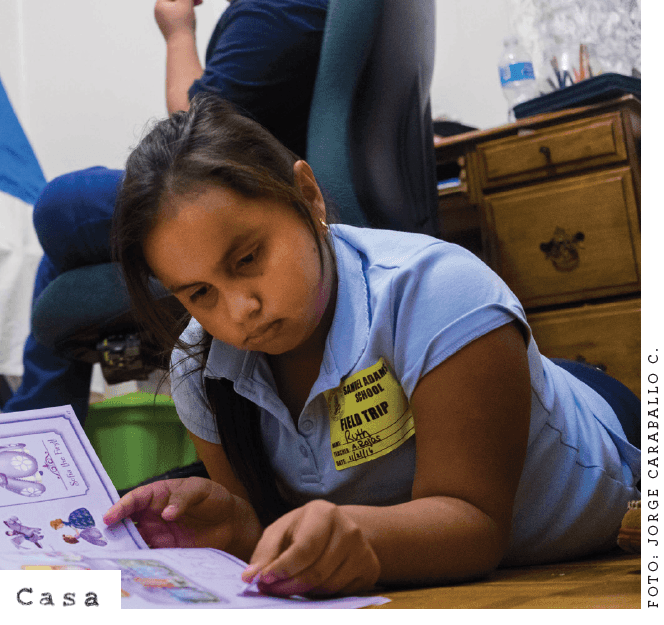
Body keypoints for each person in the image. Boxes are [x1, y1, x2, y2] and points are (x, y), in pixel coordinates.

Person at [101, 95, 640, 597]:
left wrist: (359, 530)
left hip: (600, 434)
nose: (239, 309)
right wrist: (239, 527)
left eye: (247, 259)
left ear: (309, 197)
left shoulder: (439, 289)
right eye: (200, 293)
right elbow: (267, 534)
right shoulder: (201, 369)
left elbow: (476, 526)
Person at [4, 0, 340, 421]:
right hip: (263, 192)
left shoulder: (270, 7)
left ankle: (35, 420)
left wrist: (178, 32)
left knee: (60, 203)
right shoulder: (332, 0)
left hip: (232, 198)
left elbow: (196, 129)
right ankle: (37, 419)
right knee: (59, 266)